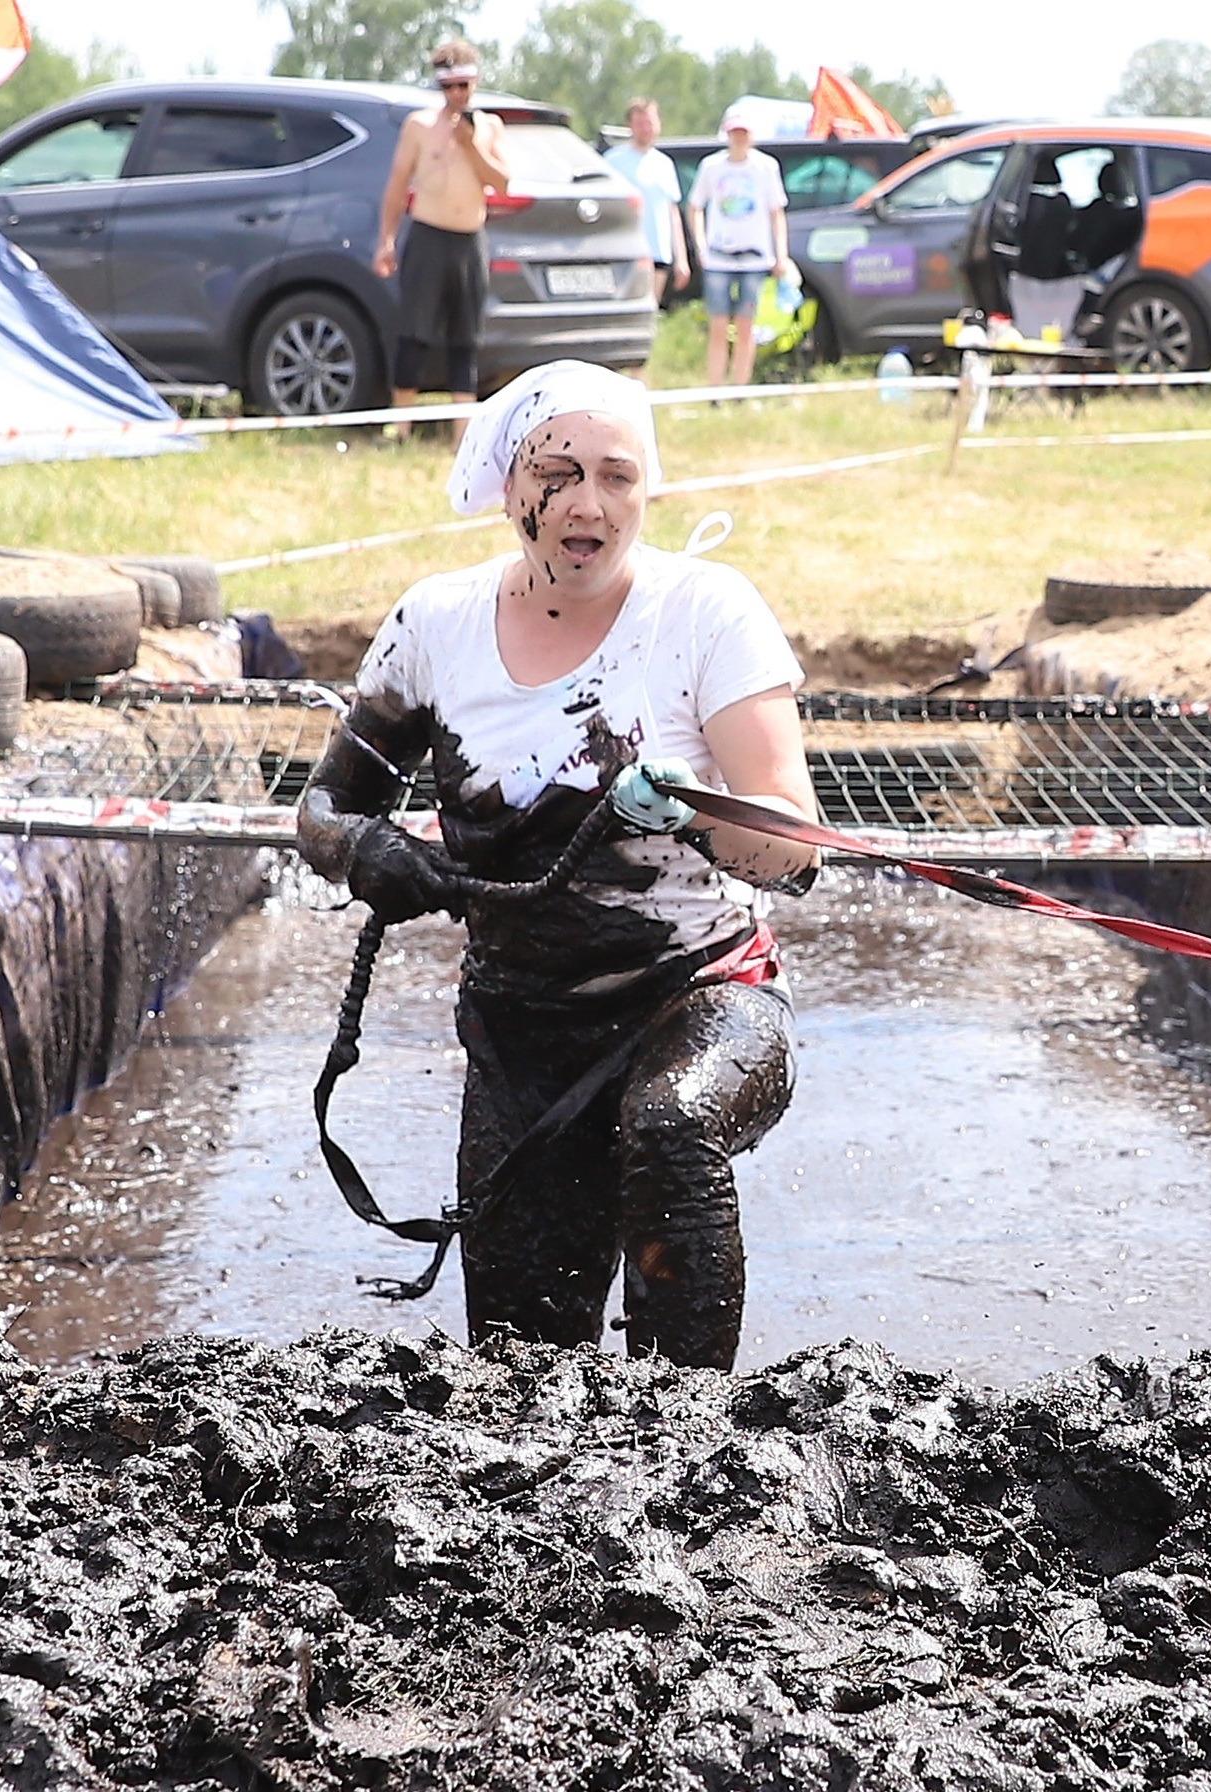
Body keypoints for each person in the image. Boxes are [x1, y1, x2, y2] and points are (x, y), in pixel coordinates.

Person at [296, 361, 822, 1367]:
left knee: (668, 1127)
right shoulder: (434, 626)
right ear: (508, 488)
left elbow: (794, 848)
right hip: (521, 1031)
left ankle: (696, 1440)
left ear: (648, 488)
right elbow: (324, 809)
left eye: (618, 476)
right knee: (520, 1375)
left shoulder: (707, 611)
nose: (589, 504)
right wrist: (371, 852)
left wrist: (700, 813)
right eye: (559, 473)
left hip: (704, 996)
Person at [374, 40, 511, 421]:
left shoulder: (490, 126)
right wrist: (386, 240)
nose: (456, 95)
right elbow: (397, 184)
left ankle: (462, 432)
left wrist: (470, 146)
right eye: (448, 87)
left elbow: (502, 182)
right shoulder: (419, 125)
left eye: (463, 86)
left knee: (465, 338)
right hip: (428, 236)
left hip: (469, 240)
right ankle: (400, 425)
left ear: (475, 84)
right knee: (414, 332)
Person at [688, 109, 793, 386]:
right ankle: (714, 388)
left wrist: (780, 254)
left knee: (746, 326)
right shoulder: (711, 167)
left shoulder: (765, 167)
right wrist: (701, 246)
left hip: (755, 259)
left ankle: (739, 388)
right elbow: (695, 205)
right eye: (735, 133)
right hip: (718, 258)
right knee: (718, 326)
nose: (739, 139)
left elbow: (776, 212)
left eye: (744, 134)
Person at [606, 96, 690, 328]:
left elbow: (672, 212)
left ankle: (640, 365)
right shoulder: (613, 162)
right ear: (630, 126)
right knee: (621, 313)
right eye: (640, 122)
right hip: (625, 250)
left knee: (648, 314)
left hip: (658, 252)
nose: (646, 128)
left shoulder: (664, 164)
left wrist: (681, 258)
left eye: (650, 122)